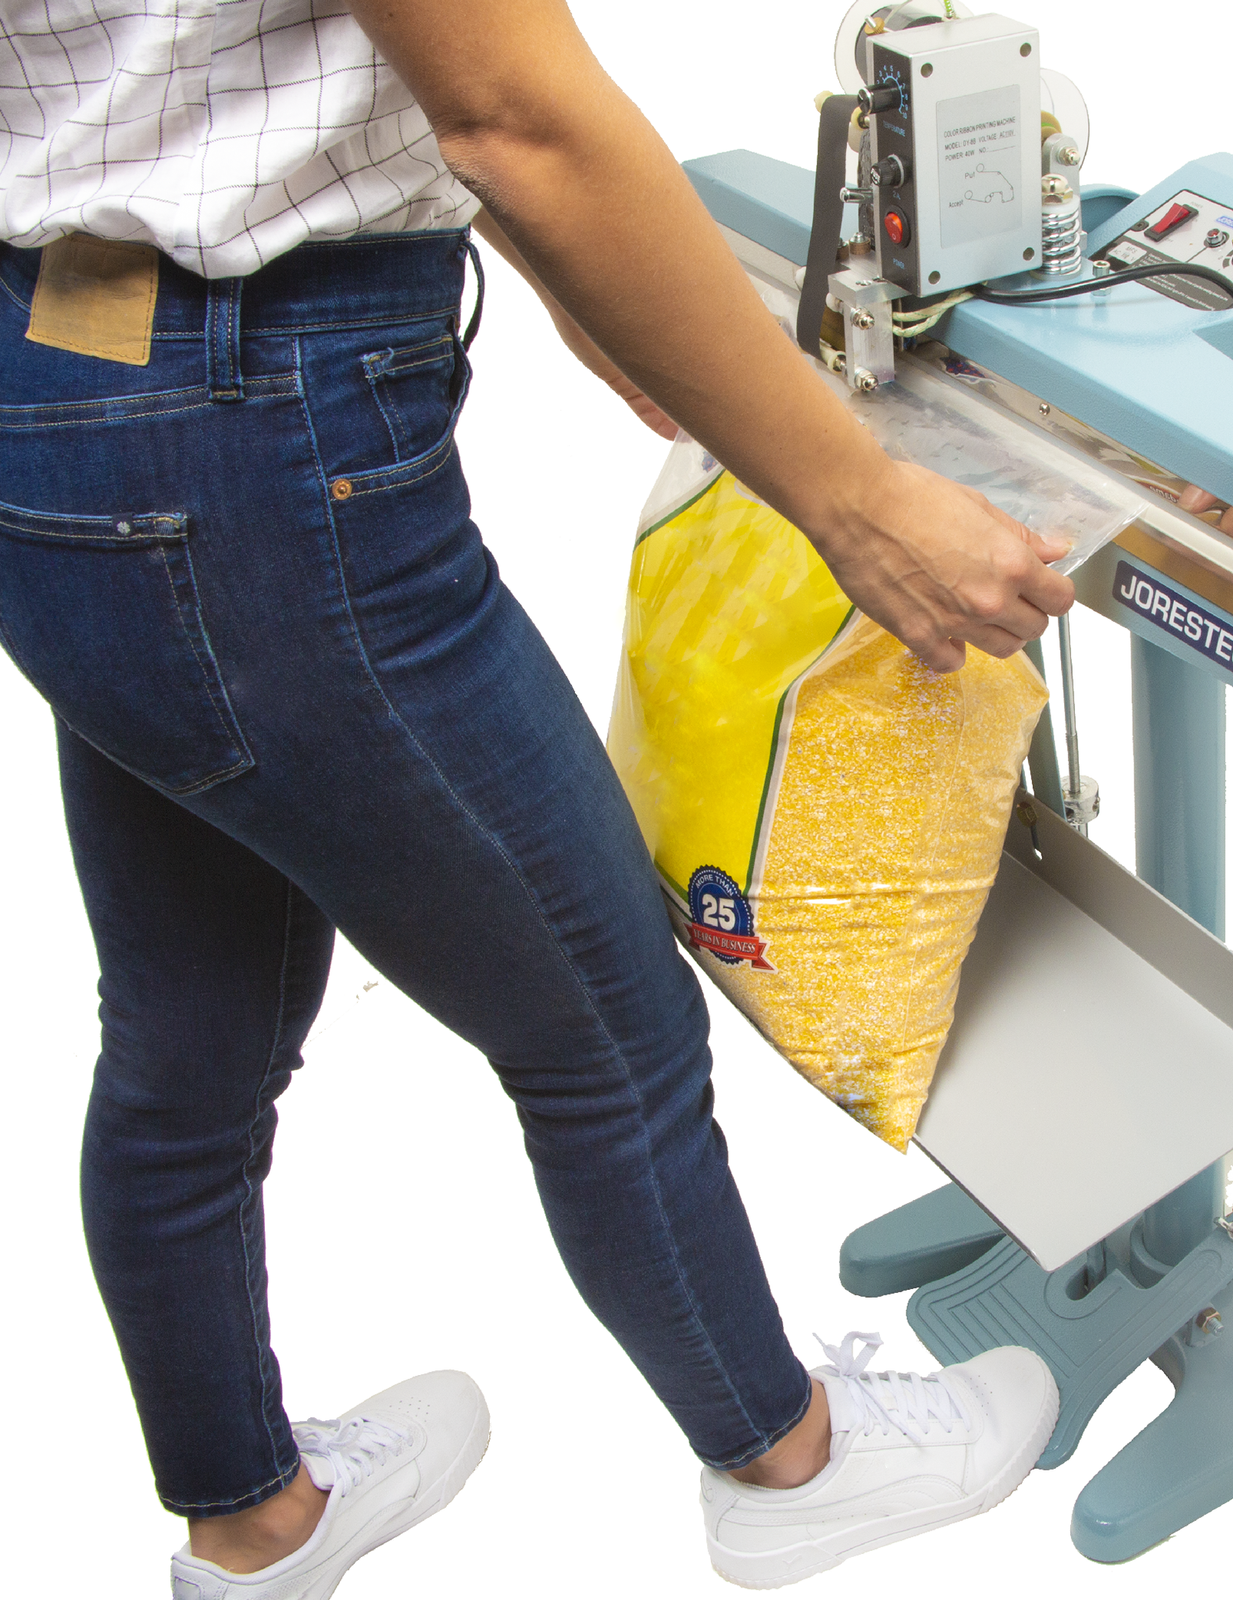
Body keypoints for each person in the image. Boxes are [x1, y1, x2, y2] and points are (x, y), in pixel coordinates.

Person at [0, 2, 1077, 1593]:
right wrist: (854, 499)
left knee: (186, 1038)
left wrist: (551, 247)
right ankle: (790, 1464)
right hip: (259, 436)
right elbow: (516, 109)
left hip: (61, 392)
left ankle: (248, 1522)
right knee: (606, 1024)